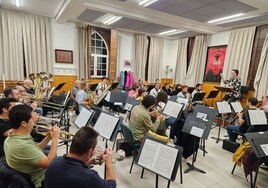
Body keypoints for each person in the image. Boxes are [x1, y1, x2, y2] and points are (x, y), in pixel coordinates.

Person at [4, 104, 60, 188]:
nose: (34, 121)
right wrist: (55, 138)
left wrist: (48, 137)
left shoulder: (12, 138)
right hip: (41, 181)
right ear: (23, 123)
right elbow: (48, 163)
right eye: (32, 119)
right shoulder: (22, 146)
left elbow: (35, 149)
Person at [45, 126, 116, 188]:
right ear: (89, 151)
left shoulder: (54, 162)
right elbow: (111, 186)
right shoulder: (90, 177)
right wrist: (108, 163)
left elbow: (72, 171)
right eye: (94, 149)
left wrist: (88, 162)